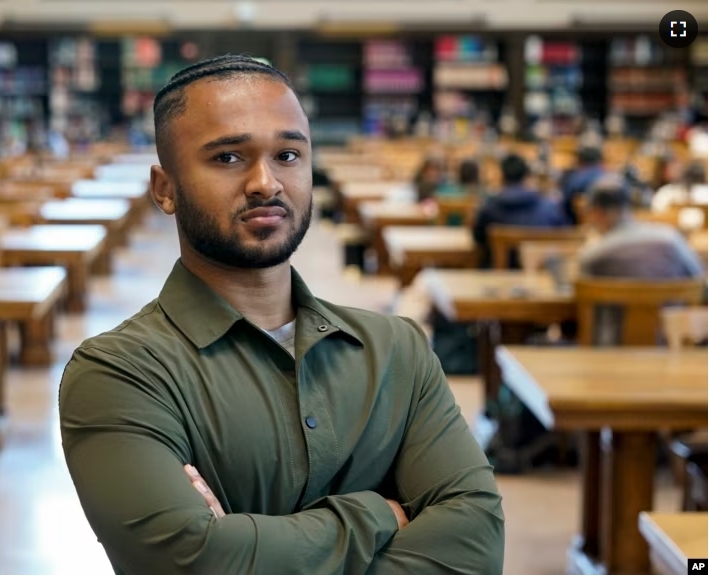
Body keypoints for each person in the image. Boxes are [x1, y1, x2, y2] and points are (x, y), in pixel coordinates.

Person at [59, 54, 504, 574]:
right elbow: (188, 562)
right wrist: (379, 514)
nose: (266, 182)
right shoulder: (119, 374)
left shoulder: (397, 350)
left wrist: (243, 545)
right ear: (165, 188)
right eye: (228, 158)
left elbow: (475, 544)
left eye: (288, 155)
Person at [579, 177, 705, 280]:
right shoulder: (670, 239)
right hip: (672, 310)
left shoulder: (592, 255)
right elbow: (700, 282)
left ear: (597, 213)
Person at [471, 153, 569, 268]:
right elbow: (565, 235)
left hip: (498, 278)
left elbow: (478, 239)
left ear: (501, 176)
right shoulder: (549, 207)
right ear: (526, 177)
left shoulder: (489, 208)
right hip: (541, 277)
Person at [559, 146, 606, 224]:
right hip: (608, 224)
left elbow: (565, 200)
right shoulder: (608, 175)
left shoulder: (576, 178)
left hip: (578, 224)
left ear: (580, 162)